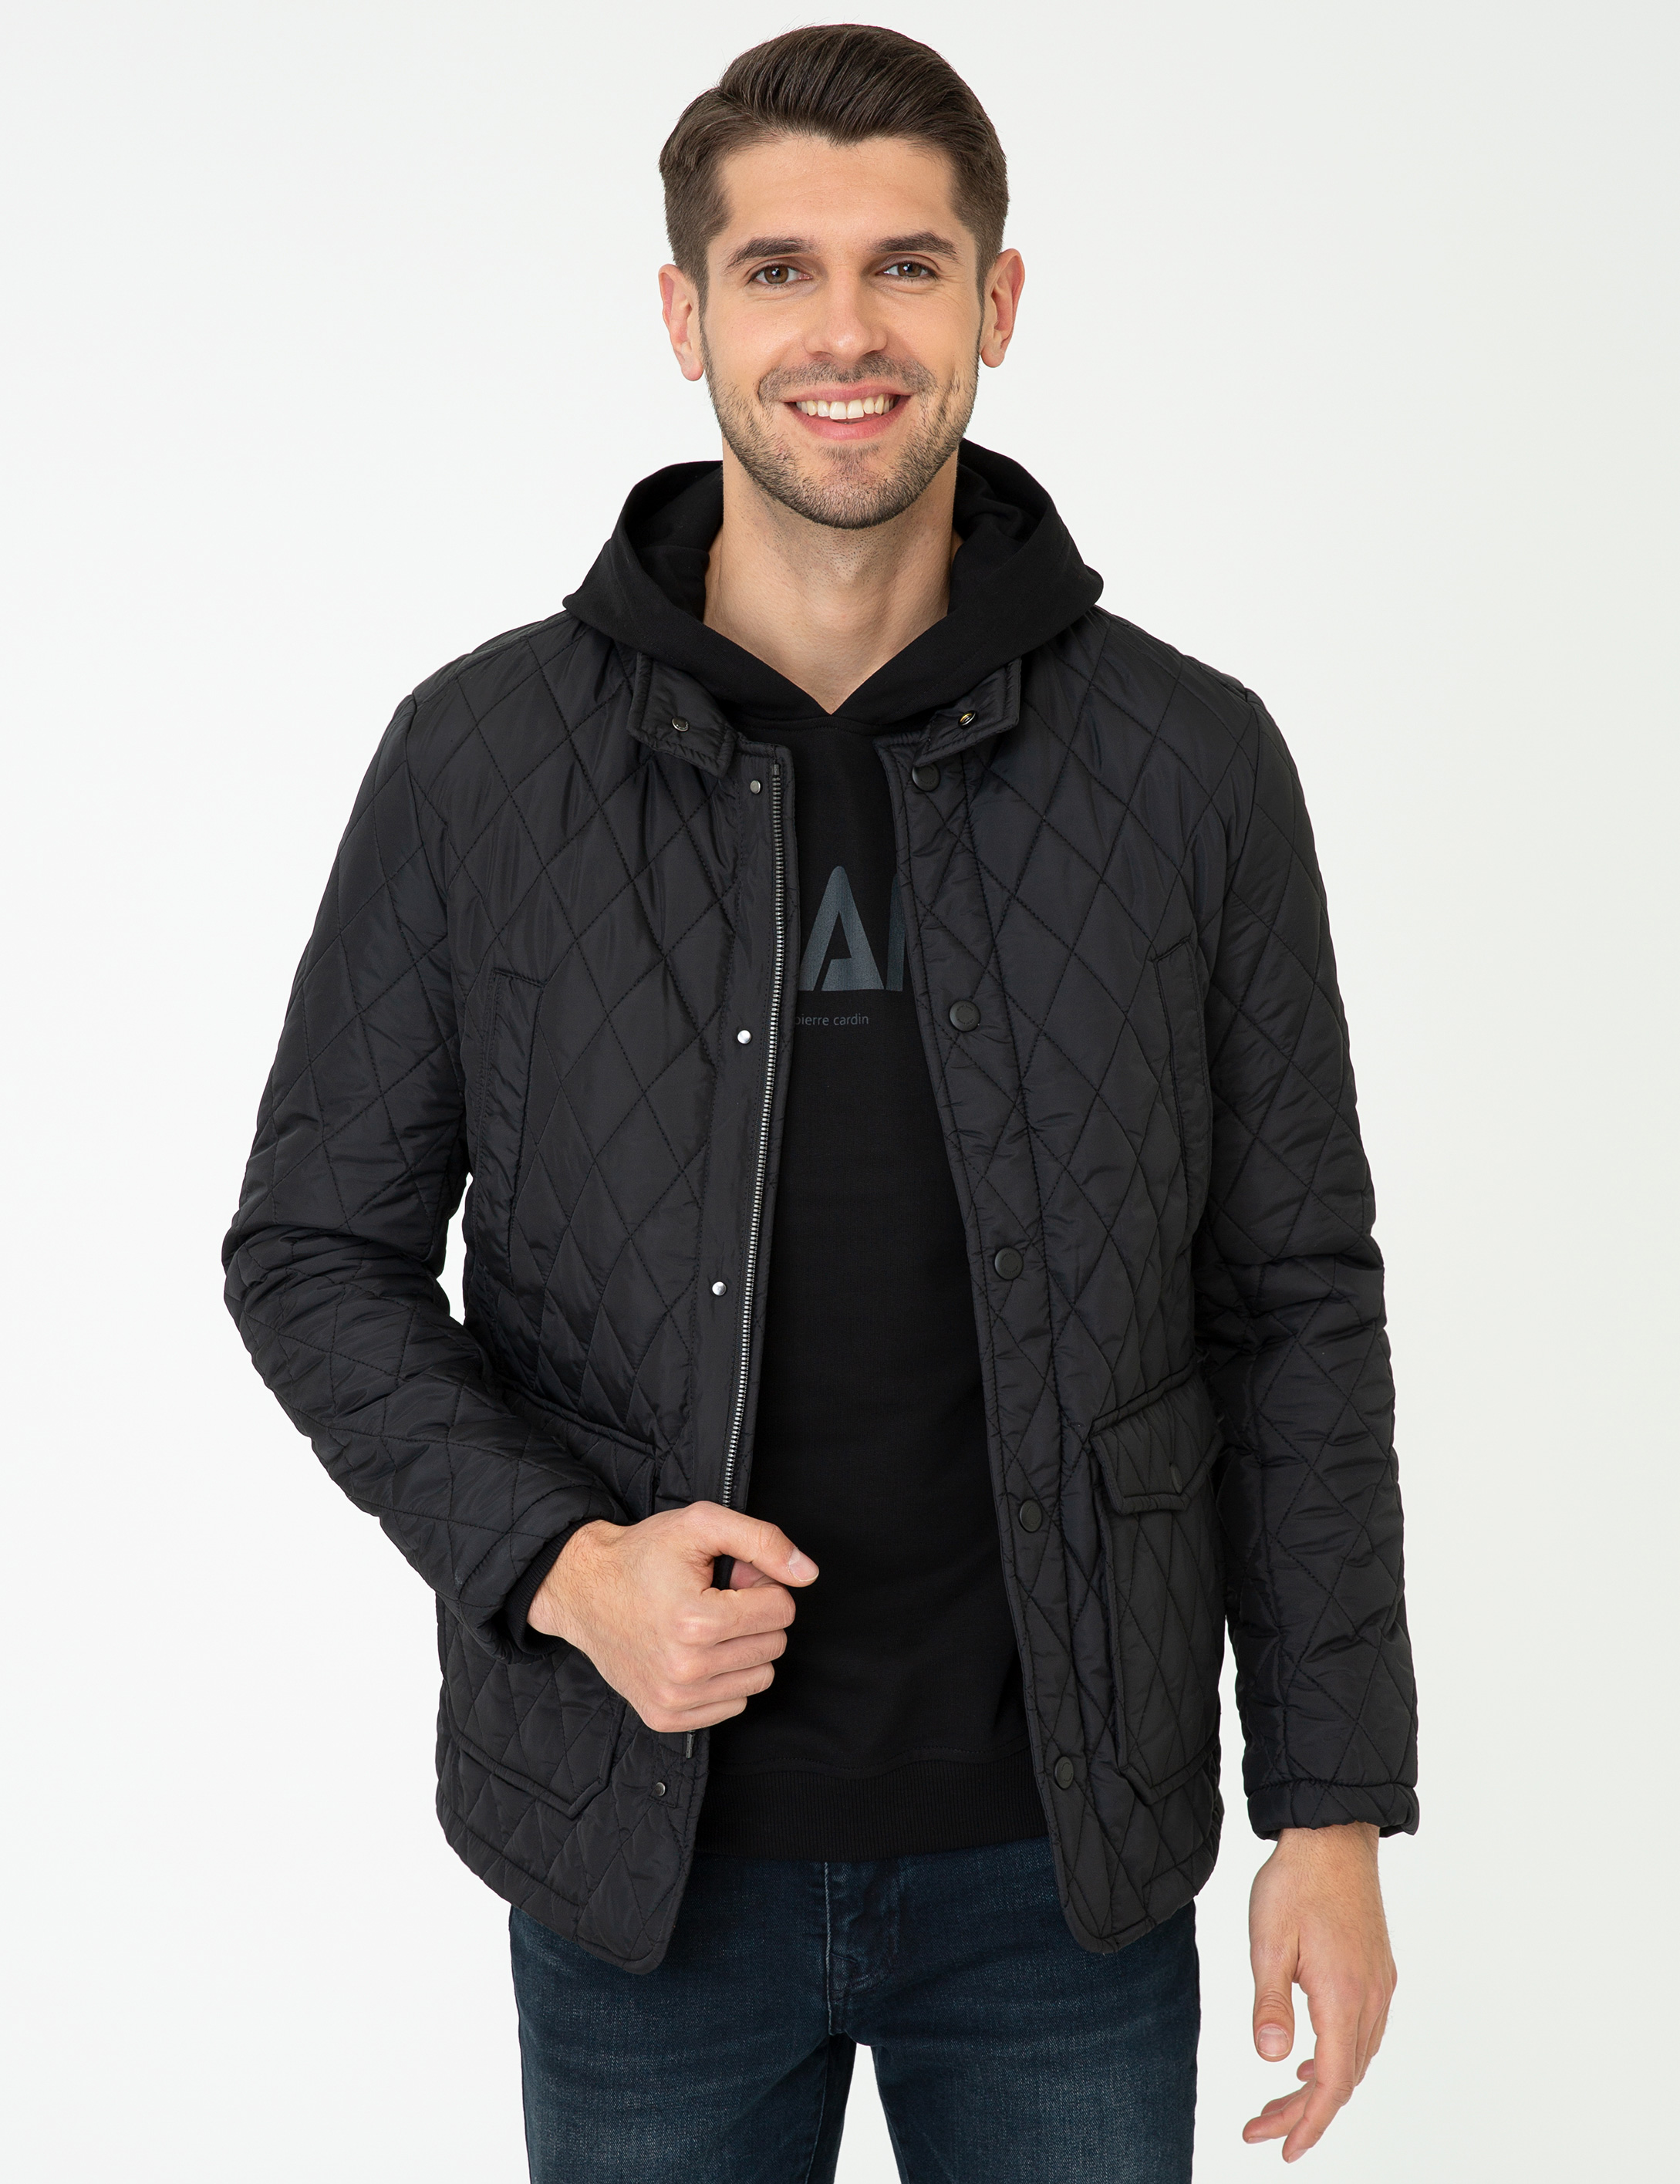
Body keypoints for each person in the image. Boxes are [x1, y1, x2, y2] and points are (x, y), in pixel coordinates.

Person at [224, 23, 1418, 2182]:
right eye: (778, 270)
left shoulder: (1190, 767)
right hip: (641, 1850)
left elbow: (1293, 1302)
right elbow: (313, 1252)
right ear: (685, 316)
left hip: (1063, 1858)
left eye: (906, 266)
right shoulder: (485, 762)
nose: (844, 332)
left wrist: (1326, 1810)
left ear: (997, 303)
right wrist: (561, 1568)